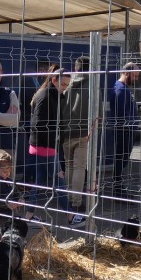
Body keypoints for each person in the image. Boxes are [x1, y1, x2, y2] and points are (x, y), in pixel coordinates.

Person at [28, 65, 74, 221]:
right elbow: (39, 124)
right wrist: (54, 149)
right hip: (45, 147)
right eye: (63, 84)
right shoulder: (46, 96)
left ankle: (29, 214)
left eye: (67, 85)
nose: (65, 88)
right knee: (59, 181)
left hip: (41, 146)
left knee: (39, 181)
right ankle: (70, 215)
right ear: (53, 80)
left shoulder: (51, 95)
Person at [60, 56, 92, 225]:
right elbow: (98, 111)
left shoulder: (67, 83)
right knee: (80, 167)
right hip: (83, 132)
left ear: (76, 67)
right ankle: (77, 202)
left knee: (69, 166)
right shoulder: (92, 84)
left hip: (66, 131)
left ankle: (68, 200)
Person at [104, 61, 141, 195]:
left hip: (127, 129)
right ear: (126, 73)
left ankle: (119, 186)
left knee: (122, 158)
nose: (136, 79)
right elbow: (122, 114)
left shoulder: (122, 88)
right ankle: (118, 188)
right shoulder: (120, 90)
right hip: (124, 130)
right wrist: (129, 125)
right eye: (135, 76)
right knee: (121, 158)